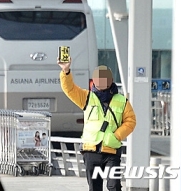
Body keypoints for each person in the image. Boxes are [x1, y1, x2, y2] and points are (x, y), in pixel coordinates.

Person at [58, 58, 136, 191]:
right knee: (95, 188)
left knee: (114, 186)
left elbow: (131, 121)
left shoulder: (122, 101)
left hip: (112, 150)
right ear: (94, 81)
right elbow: (69, 89)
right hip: (91, 151)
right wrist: (65, 71)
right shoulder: (86, 97)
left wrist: (117, 136)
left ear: (111, 80)